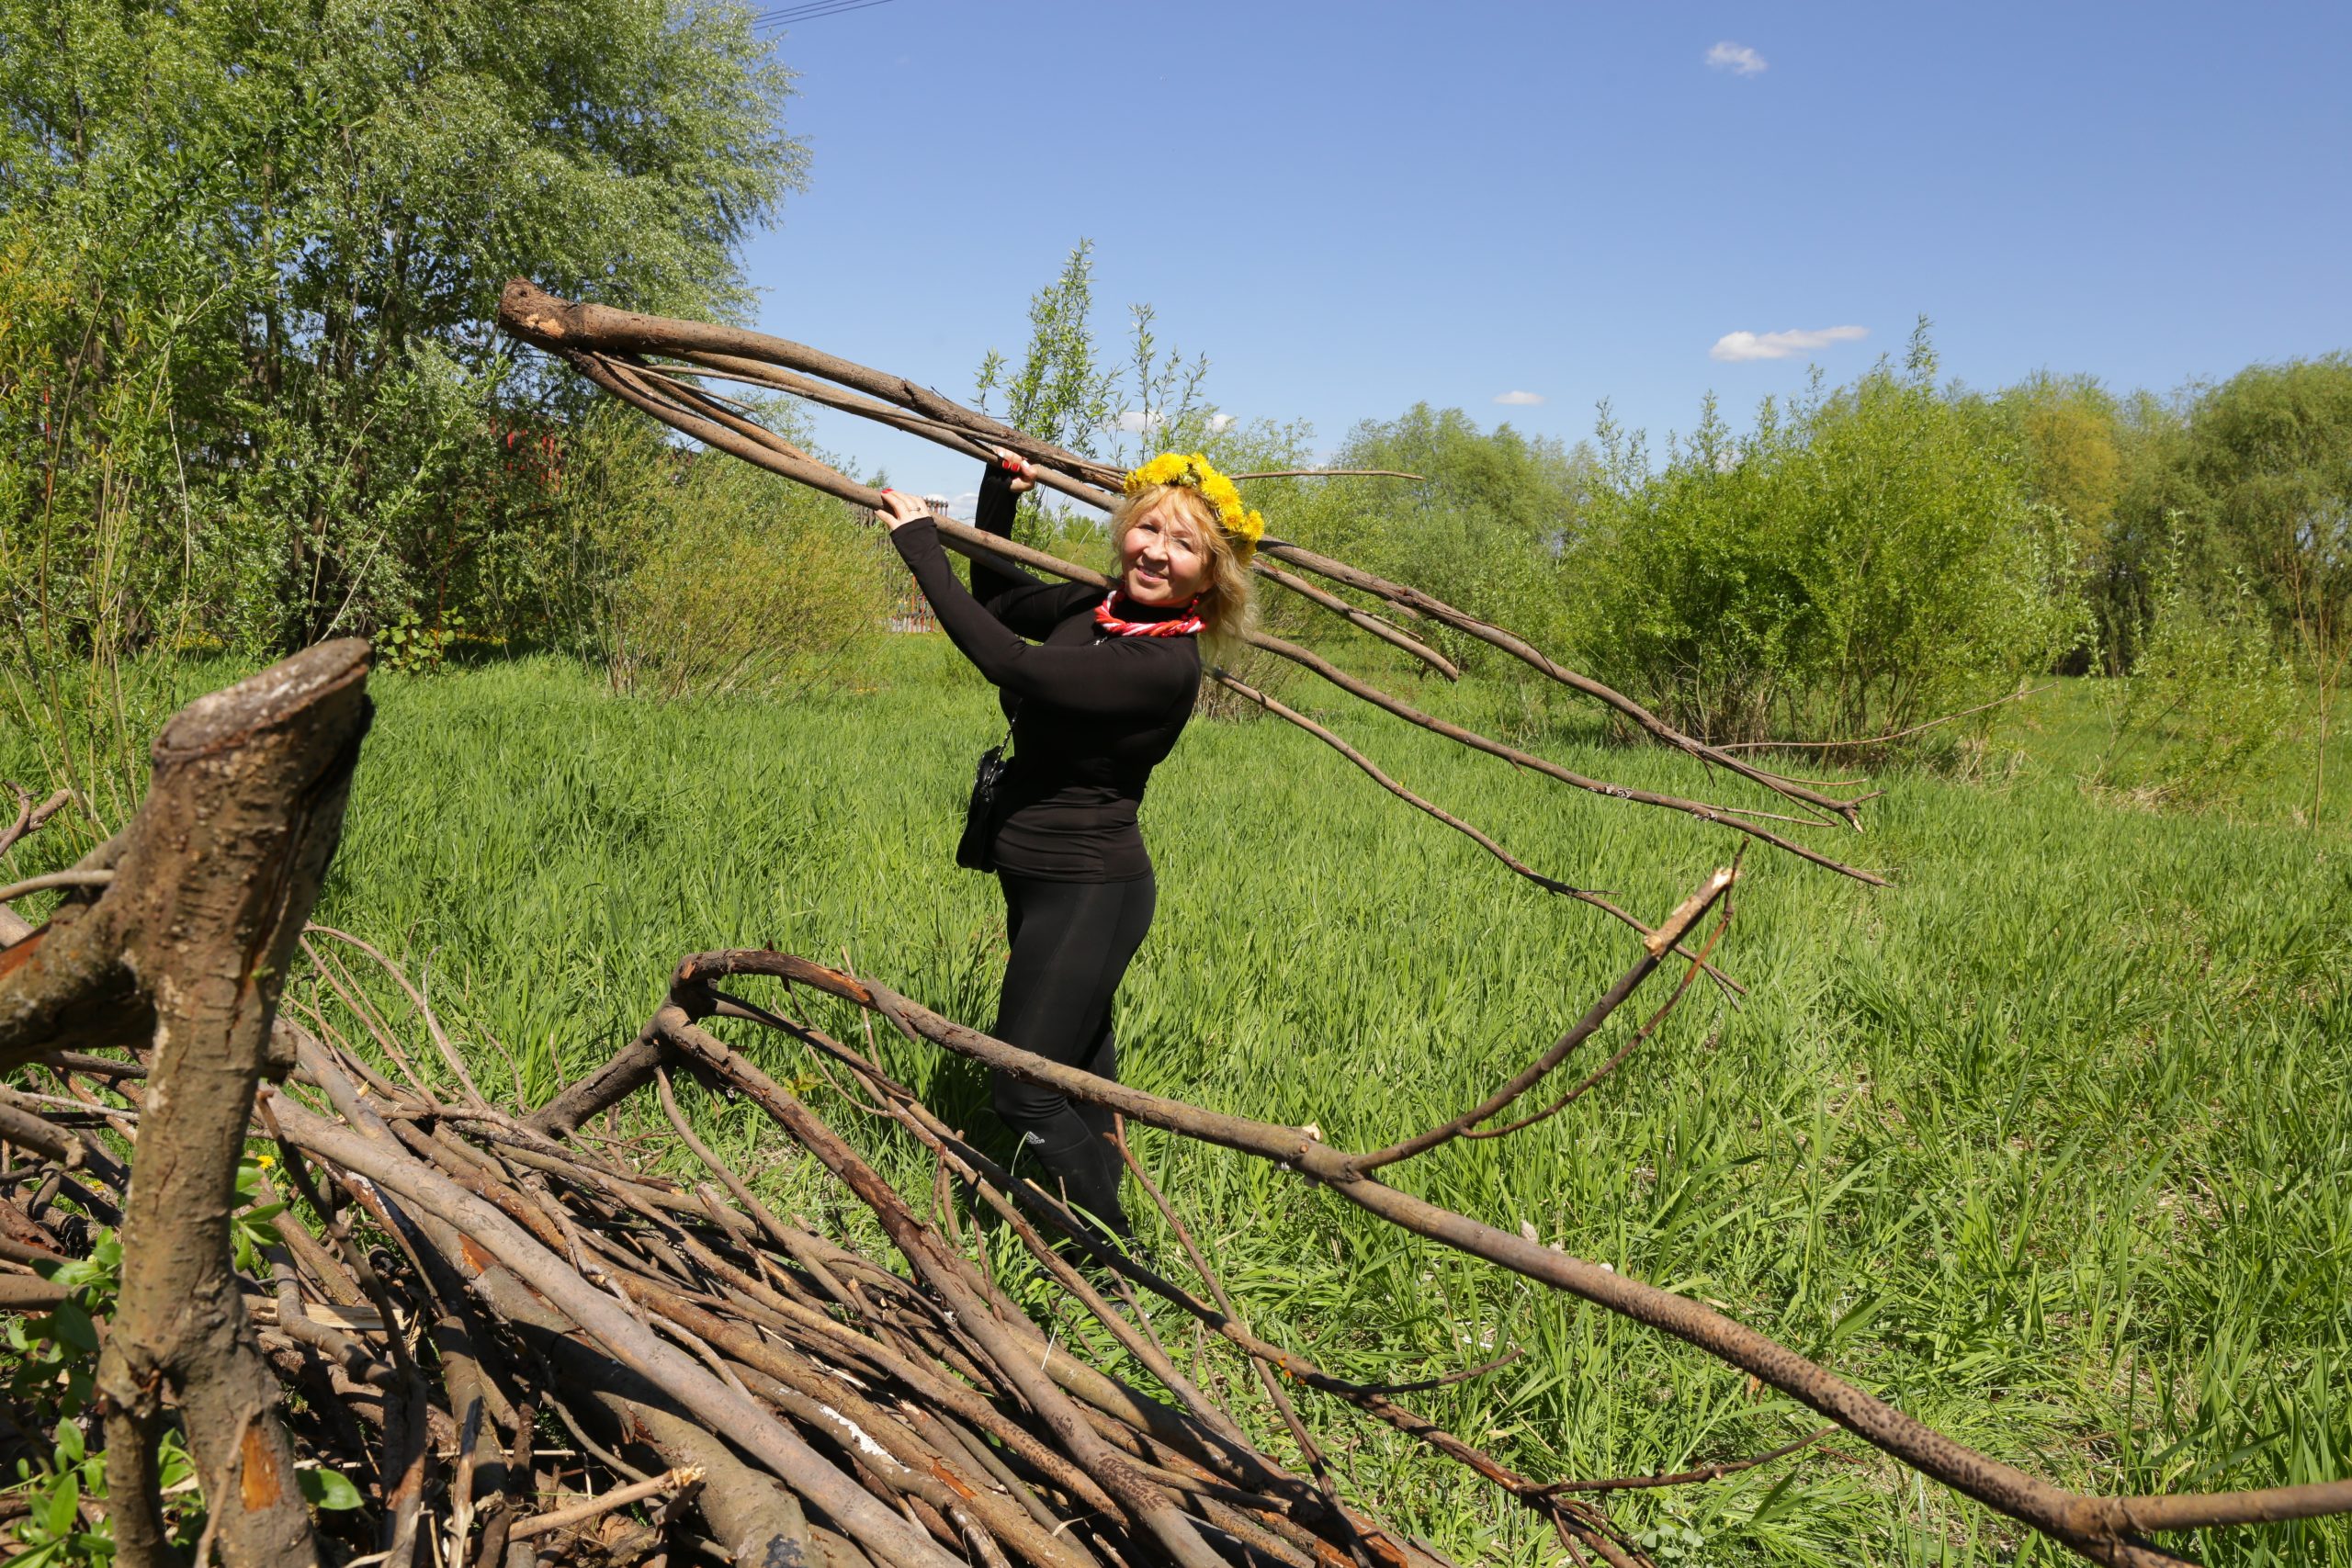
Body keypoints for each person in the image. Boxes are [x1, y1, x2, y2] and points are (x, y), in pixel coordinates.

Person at [871, 448, 1261, 1246]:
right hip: (1037, 876)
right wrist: (998, 501)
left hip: (1090, 887)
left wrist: (919, 545)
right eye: (1147, 528)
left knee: (1024, 1090)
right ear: (1123, 532)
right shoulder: (1100, 603)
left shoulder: (1160, 663)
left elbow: (1009, 660)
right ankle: (1097, 1214)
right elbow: (1006, 600)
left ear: (1210, 577)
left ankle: (1112, 1245)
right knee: (1079, 1067)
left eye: (1183, 544)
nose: (1156, 550)